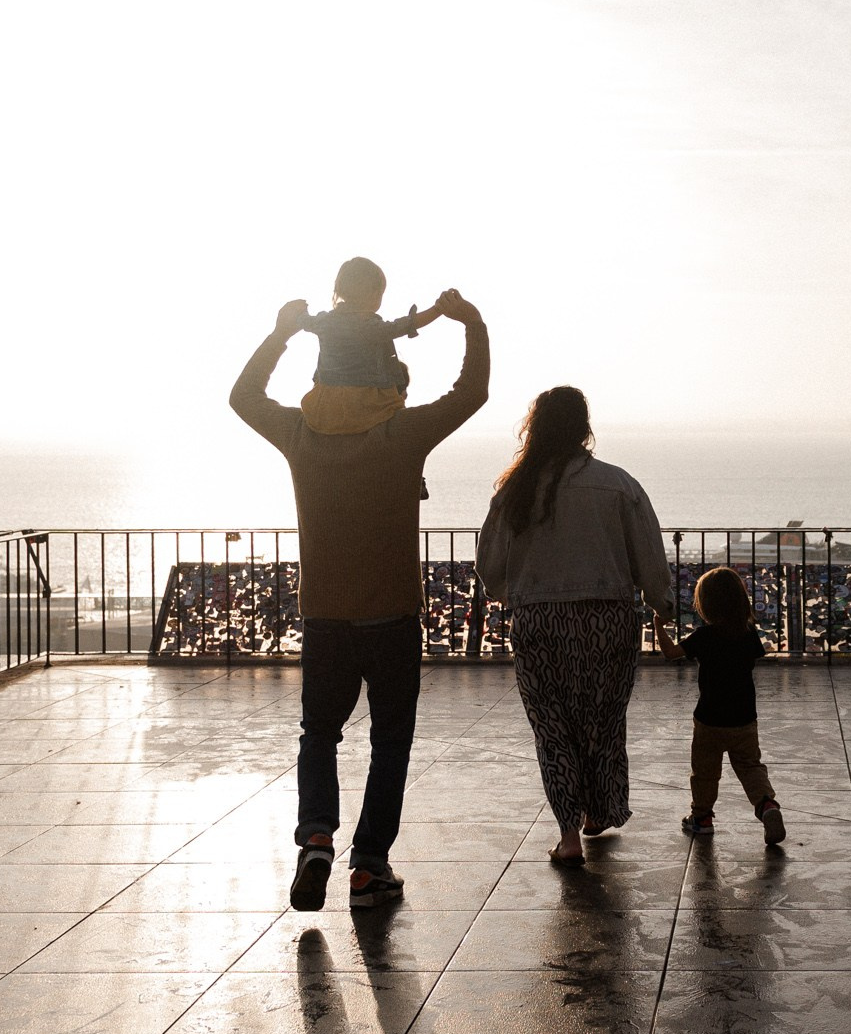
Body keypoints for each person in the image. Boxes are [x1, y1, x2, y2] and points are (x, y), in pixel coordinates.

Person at [231, 283, 489, 911]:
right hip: (392, 612)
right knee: (390, 740)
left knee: (319, 730)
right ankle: (370, 865)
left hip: (324, 612)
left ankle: (317, 838)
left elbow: (242, 397)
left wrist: (281, 332)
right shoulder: (402, 431)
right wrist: (471, 322)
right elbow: (472, 392)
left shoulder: (299, 430)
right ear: (388, 384)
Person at [475, 386, 674, 866]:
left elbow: (489, 564)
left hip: (540, 618)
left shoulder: (516, 491)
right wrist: (662, 603)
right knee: (602, 721)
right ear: (584, 425)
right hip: (608, 616)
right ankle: (598, 812)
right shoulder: (618, 484)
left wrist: (505, 593)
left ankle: (568, 834)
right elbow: (648, 551)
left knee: (552, 725)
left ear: (536, 427)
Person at [657, 566, 787, 846]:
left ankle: (702, 818)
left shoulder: (703, 637)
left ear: (706, 604)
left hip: (709, 719)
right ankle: (767, 806)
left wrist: (658, 627)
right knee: (750, 766)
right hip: (743, 718)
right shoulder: (749, 634)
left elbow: (670, 654)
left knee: (704, 772)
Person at [299, 256, 441, 435]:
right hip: (362, 403)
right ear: (372, 293)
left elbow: (305, 321)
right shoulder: (368, 327)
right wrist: (438, 310)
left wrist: (300, 312)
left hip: (326, 403)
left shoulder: (323, 321)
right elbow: (404, 325)